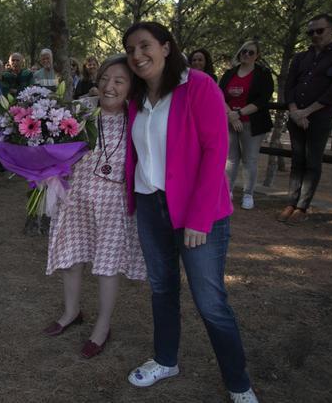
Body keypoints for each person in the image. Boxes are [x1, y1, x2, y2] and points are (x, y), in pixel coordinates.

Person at [122, 22, 258, 402]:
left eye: (145, 45)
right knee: (162, 288)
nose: (137, 55)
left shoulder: (197, 84)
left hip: (199, 213)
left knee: (211, 302)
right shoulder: (137, 96)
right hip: (150, 206)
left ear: (166, 47)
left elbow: (217, 152)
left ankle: (238, 383)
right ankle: (166, 360)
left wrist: (198, 219)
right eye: (130, 49)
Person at [44, 54, 146, 359]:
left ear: (131, 87)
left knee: (107, 264)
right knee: (71, 256)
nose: (109, 86)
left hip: (114, 203)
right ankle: (72, 312)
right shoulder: (81, 112)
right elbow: (56, 149)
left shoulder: (139, 119)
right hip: (75, 196)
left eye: (119, 80)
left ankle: (102, 326)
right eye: (104, 79)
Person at [280, 13, 332, 223]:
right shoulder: (300, 57)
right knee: (297, 160)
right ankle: (290, 202)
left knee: (312, 160)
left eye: (319, 30)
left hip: (320, 115)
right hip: (297, 116)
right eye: (310, 32)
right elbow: (290, 86)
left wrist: (307, 112)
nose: (315, 35)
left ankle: (302, 206)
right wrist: (295, 110)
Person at [218, 41, 275, 210]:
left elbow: (262, 99)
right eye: (244, 51)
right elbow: (219, 95)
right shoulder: (229, 73)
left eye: (251, 52)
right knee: (230, 159)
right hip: (230, 122)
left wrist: (240, 113)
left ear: (257, 55)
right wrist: (231, 116)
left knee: (249, 159)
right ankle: (227, 191)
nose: (246, 55)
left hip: (252, 123)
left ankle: (248, 194)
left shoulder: (263, 74)